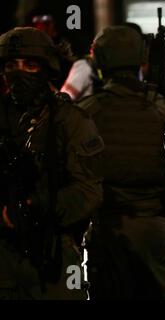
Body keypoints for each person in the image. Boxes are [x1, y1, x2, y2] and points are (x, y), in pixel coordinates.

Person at [78, 26, 165, 299]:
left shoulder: (85, 112)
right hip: (150, 226)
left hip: (103, 226)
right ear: (142, 60)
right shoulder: (163, 111)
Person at [0, 27, 104, 299]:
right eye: (11, 65)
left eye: (30, 65)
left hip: (54, 253)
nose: (19, 73)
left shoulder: (70, 121)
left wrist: (35, 207)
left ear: (46, 69)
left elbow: (88, 191)